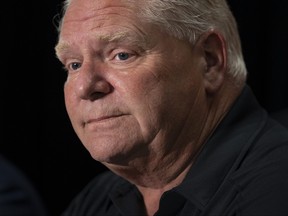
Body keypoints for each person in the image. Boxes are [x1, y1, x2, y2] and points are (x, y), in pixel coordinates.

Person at [54, 0, 288, 215]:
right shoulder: (96, 201)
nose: (84, 87)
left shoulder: (275, 189)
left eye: (121, 55)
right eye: (74, 65)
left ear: (210, 60)